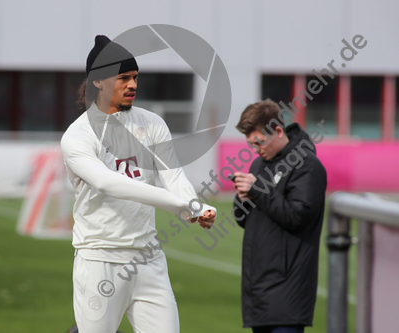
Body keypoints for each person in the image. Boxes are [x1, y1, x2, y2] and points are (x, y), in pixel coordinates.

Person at [61, 35, 216, 333]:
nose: (132, 84)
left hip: (149, 258)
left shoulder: (152, 124)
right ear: (98, 81)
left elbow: (173, 176)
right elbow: (107, 183)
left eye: (134, 77)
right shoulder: (77, 136)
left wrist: (194, 207)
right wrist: (180, 206)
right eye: (123, 78)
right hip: (99, 261)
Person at [232, 99, 327, 333]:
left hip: (288, 289)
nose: (255, 149)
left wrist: (258, 190)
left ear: (277, 130)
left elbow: (297, 216)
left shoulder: (307, 165)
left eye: (259, 141)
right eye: (250, 143)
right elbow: (248, 221)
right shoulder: (258, 165)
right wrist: (242, 200)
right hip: (260, 290)